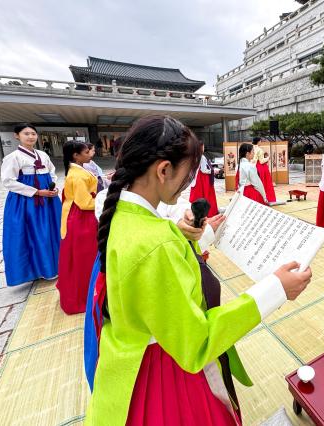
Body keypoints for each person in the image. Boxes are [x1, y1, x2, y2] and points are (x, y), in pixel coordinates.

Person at [85, 115, 311, 425]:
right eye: (187, 174)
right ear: (163, 170)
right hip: (168, 370)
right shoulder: (157, 243)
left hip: (131, 365)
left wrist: (187, 235)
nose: (189, 184)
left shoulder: (119, 215)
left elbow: (149, 267)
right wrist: (275, 289)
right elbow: (196, 341)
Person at [84, 189, 225, 391]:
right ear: (164, 170)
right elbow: (159, 257)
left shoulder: (122, 202)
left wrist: (186, 214)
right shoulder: (152, 245)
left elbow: (173, 206)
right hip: (157, 350)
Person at [0, 123, 61, 286]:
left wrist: (53, 187)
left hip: (48, 199)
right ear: (17, 136)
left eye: (33, 133)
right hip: (27, 202)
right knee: (35, 234)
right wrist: (36, 192)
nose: (31, 136)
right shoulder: (13, 157)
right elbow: (8, 181)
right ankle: (40, 269)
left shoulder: (43, 155)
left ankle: (57, 265)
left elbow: (52, 173)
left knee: (53, 231)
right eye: (26, 133)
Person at [57, 140, 98, 314]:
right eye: (87, 152)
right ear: (76, 155)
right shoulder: (78, 175)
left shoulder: (76, 171)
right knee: (85, 256)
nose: (90, 154)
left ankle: (80, 293)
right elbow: (85, 202)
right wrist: (106, 198)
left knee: (77, 256)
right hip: (83, 218)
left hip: (76, 216)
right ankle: (83, 296)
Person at [189, 146, 219, 217]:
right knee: (207, 195)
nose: (203, 147)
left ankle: (195, 212)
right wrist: (213, 170)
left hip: (197, 178)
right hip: (203, 178)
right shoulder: (201, 157)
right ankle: (210, 212)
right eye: (202, 146)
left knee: (197, 195)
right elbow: (204, 169)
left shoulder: (193, 156)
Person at [252, 137, 276, 203]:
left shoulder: (251, 148)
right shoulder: (259, 149)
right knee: (265, 182)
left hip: (253, 166)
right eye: (260, 141)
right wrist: (268, 158)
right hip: (261, 167)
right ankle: (266, 198)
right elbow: (261, 161)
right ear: (258, 141)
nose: (261, 142)